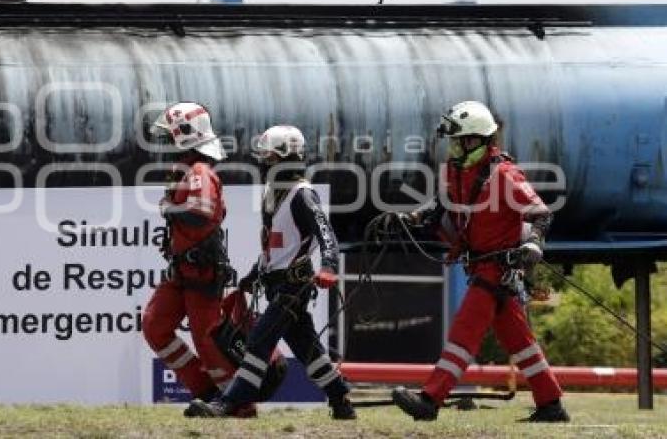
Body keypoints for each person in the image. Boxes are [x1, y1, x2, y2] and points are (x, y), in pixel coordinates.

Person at [391, 100, 570, 423]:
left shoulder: (504, 174)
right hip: (480, 266)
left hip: (497, 270)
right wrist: (412, 217)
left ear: (475, 140)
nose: (453, 146)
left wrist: (532, 243)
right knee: (520, 342)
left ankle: (430, 399)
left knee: (464, 333)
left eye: (458, 140)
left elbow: (541, 214)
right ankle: (551, 404)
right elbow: (441, 206)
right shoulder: (458, 172)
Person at [187, 125, 356, 420]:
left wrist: (328, 267)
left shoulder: (303, 196)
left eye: (270, 158)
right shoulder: (273, 195)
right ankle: (341, 399)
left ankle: (228, 403)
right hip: (276, 285)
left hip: (294, 287)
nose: (264, 164)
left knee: (259, 341)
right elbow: (273, 248)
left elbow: (326, 234)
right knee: (308, 350)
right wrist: (255, 275)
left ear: (287, 160)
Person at [141, 102, 241, 414]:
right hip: (181, 269)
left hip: (202, 271)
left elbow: (201, 213)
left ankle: (237, 405)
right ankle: (207, 391)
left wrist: (169, 209)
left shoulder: (200, 172)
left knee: (208, 340)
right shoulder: (187, 170)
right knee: (155, 325)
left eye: (171, 135)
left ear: (186, 134)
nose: (167, 142)